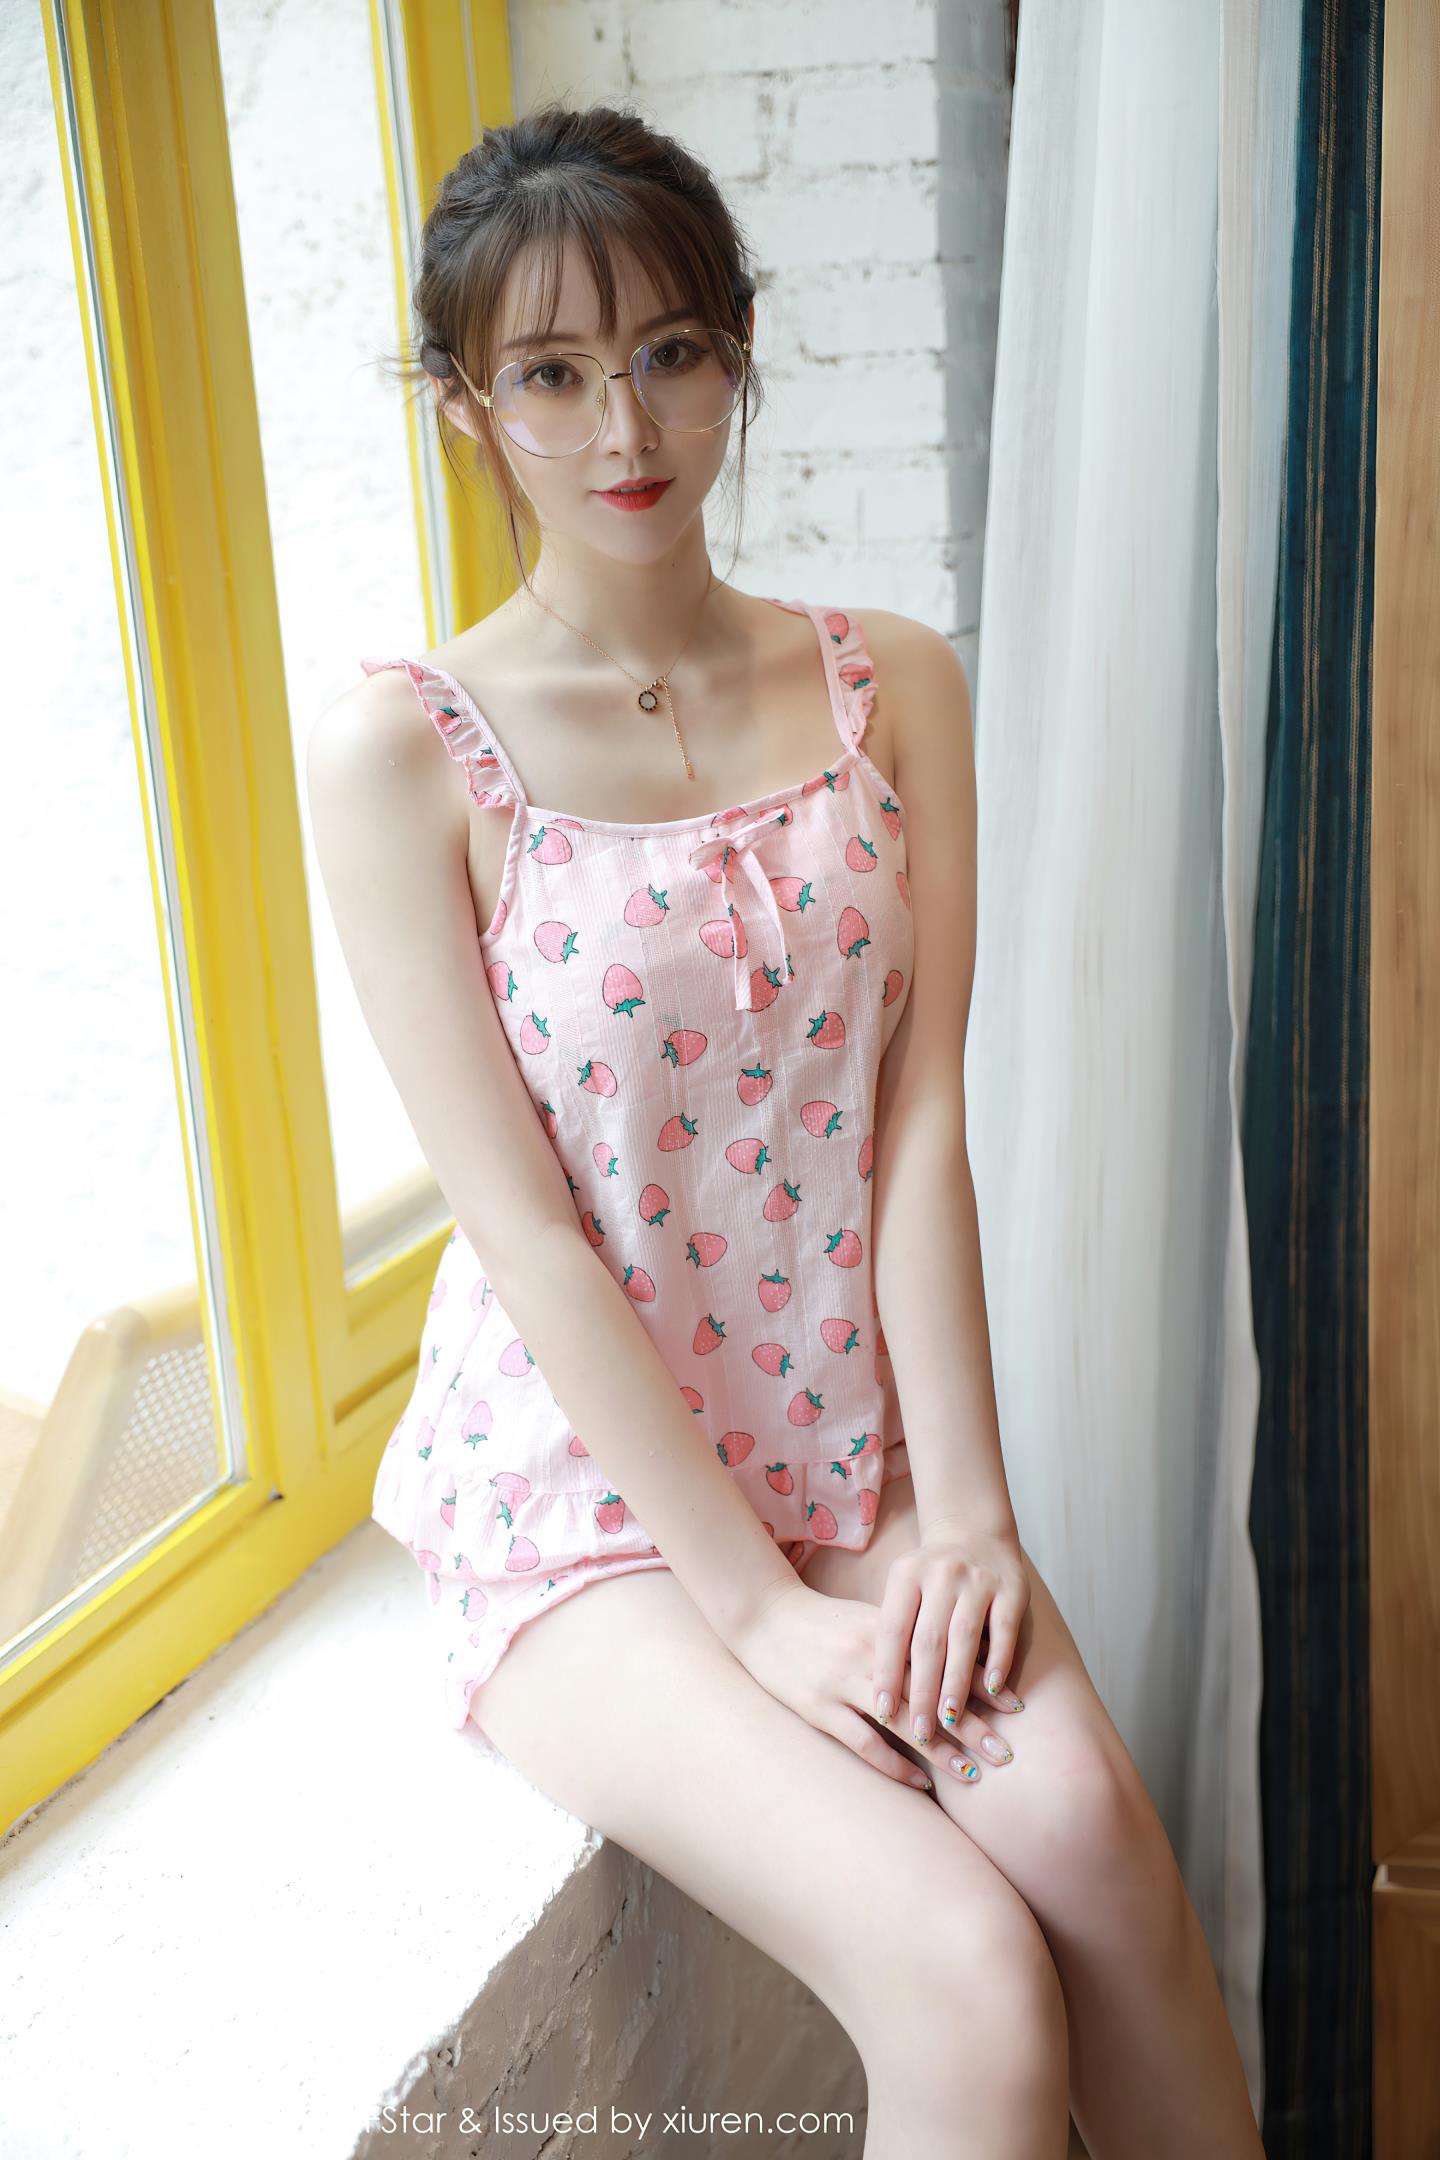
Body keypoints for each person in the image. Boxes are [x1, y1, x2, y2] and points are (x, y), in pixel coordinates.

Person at [307, 99, 1263, 2160]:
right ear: (470, 408)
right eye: (552, 374)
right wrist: (754, 1610)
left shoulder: (889, 686)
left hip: (848, 1445)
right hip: (588, 1507)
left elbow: (916, 1120)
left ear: (737, 349)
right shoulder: (408, 756)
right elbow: (530, 1234)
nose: (622, 425)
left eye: (668, 351)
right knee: (963, 1966)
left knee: (1096, 1849)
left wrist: (972, 1517)